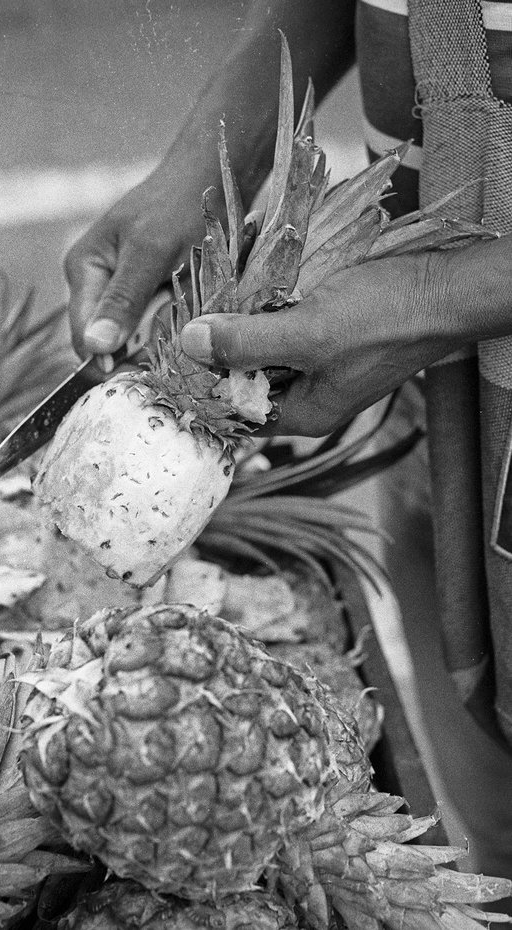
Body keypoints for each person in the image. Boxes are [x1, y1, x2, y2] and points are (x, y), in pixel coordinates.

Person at [64, 0, 512, 888]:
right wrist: (223, 142)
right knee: (495, 826)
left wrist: (434, 296)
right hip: (430, 379)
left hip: (434, 322)